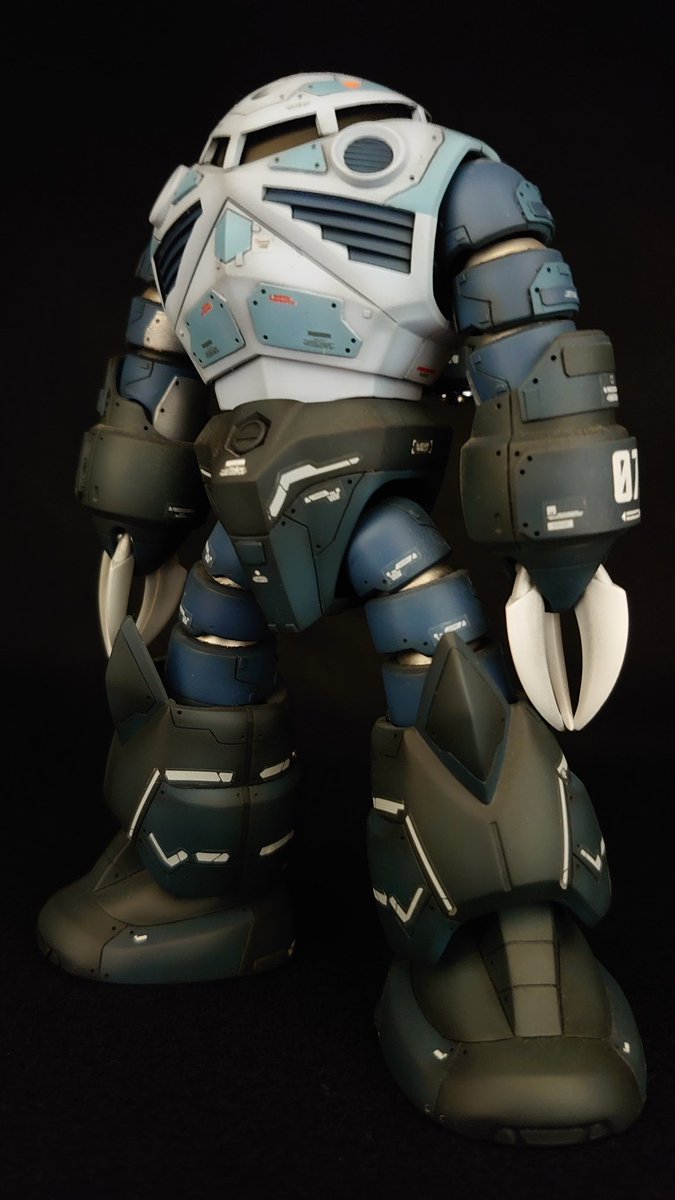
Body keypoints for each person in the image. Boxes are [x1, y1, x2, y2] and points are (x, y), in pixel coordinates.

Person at [38, 72, 645, 1144]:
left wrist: (561, 550)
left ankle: (495, 929)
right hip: (237, 497)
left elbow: (534, 357)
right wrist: (132, 516)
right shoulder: (187, 208)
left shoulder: (444, 177)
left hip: (374, 505)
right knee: (205, 668)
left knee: (446, 681)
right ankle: (200, 877)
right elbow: (150, 375)